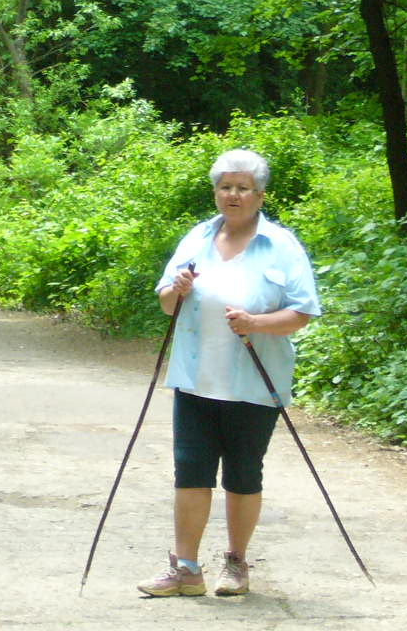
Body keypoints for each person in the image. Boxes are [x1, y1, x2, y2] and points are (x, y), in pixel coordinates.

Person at [137, 148, 320, 597]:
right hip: (195, 379)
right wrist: (176, 290)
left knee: (242, 473)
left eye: (243, 188)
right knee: (191, 471)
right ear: (216, 192)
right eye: (225, 186)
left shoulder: (281, 245)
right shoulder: (197, 238)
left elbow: (302, 312)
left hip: (255, 382)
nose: (233, 194)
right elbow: (166, 303)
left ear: (259, 195)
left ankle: (236, 563)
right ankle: (186, 569)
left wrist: (256, 324)